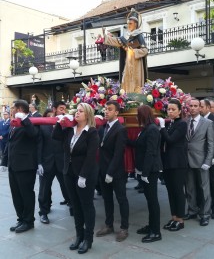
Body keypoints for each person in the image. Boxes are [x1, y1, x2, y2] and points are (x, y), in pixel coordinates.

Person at [52, 103, 99, 255]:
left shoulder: (91, 132)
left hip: (84, 175)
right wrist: (59, 123)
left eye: (80, 111)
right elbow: (55, 137)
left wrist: (83, 176)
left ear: (87, 115)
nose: (77, 113)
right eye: (76, 111)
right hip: (69, 173)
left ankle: (88, 239)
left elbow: (91, 157)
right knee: (75, 206)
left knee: (86, 206)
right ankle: (79, 236)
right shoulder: (69, 130)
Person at [1, 100, 40, 233]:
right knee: (16, 194)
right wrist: (4, 162)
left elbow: (34, 135)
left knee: (26, 194)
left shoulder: (31, 121)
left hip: (26, 166)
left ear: (19, 109)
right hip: (13, 165)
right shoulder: (14, 123)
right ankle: (21, 219)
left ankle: (29, 221)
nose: (10, 110)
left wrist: (25, 120)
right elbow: (9, 143)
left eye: (12, 107)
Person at [96, 101, 129, 242]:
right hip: (103, 170)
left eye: (109, 109)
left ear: (116, 113)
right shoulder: (102, 128)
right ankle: (109, 225)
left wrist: (110, 172)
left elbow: (118, 153)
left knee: (121, 199)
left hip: (116, 171)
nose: (106, 111)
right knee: (107, 199)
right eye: (105, 109)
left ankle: (124, 228)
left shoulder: (120, 129)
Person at [130, 105, 162, 243]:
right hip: (146, 169)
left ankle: (156, 232)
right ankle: (151, 226)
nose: (137, 117)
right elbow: (138, 144)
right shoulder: (146, 129)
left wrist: (145, 173)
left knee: (153, 201)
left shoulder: (152, 130)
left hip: (150, 171)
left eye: (138, 114)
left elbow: (151, 152)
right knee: (150, 200)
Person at [184, 98, 214, 226]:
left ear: (200, 108)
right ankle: (192, 210)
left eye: (195, 106)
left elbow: (211, 143)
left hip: (202, 161)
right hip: (187, 160)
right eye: (190, 106)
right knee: (189, 188)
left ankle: (205, 214)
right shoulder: (184, 122)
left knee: (204, 189)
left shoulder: (207, 123)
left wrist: (208, 161)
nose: (193, 108)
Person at [158, 99, 188, 231]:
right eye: (168, 109)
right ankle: (174, 217)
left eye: (173, 109)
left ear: (179, 111)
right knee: (170, 192)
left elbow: (170, 140)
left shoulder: (182, 124)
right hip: (168, 162)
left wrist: (162, 127)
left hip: (178, 163)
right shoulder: (170, 123)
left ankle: (180, 220)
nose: (170, 112)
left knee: (178, 191)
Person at [37, 107, 70, 224]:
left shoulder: (64, 126)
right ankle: (44, 212)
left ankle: (72, 205)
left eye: (53, 115)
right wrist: (39, 163)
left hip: (61, 161)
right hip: (47, 162)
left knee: (67, 185)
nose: (51, 117)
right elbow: (39, 145)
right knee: (44, 189)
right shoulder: (42, 127)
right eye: (49, 115)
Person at [103, 8, 148, 93]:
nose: (129, 25)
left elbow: (145, 50)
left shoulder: (139, 35)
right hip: (127, 62)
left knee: (136, 80)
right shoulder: (126, 36)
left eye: (130, 23)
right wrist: (105, 36)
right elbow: (117, 41)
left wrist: (133, 51)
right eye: (128, 24)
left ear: (135, 24)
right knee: (126, 79)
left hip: (136, 63)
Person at [200, 99, 214, 220]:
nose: (199, 108)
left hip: (212, 158)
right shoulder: (198, 120)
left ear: (208, 107)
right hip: (200, 157)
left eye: (201, 106)